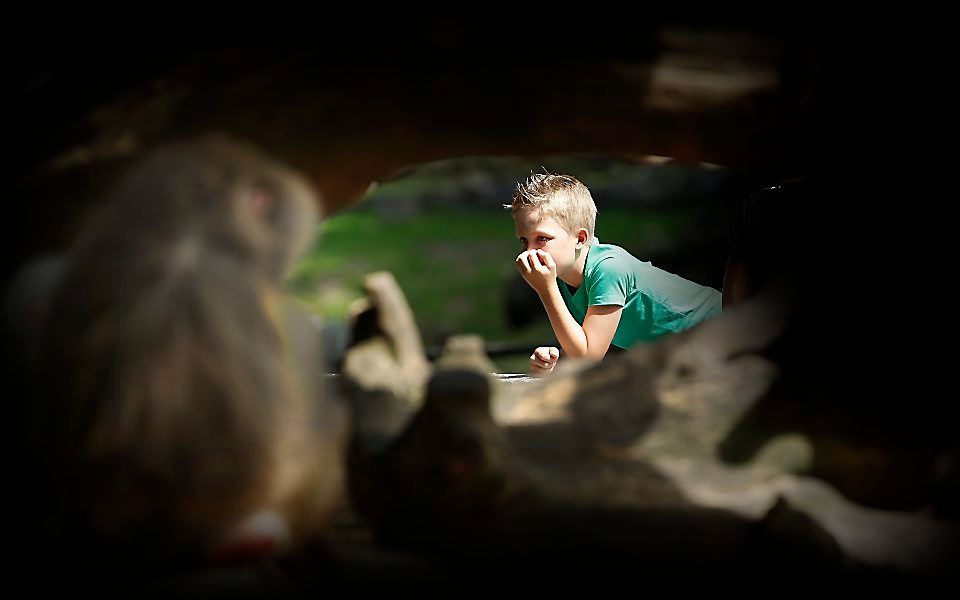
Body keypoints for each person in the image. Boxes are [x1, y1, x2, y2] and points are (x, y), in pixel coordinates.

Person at [508, 172, 721, 376]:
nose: (529, 252)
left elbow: (589, 358)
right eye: (524, 240)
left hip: (718, 328)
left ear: (580, 239)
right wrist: (555, 361)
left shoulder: (608, 269)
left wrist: (547, 291)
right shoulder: (562, 278)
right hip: (684, 353)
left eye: (542, 238)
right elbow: (587, 346)